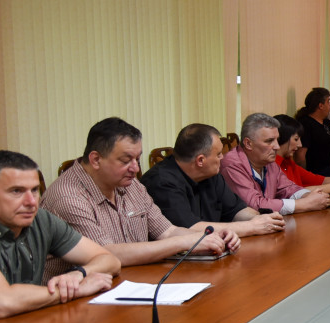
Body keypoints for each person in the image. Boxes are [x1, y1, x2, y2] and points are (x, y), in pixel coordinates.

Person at [42, 117, 238, 278]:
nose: (136, 168)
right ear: (95, 159)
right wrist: (187, 242)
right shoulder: (68, 197)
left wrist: (209, 237)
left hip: (131, 285)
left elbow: (167, 231)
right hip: (72, 304)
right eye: (126, 160)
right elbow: (107, 254)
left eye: (137, 159)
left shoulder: (130, 184)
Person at [0, 151, 120, 320]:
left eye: (35, 190)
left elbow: (110, 260)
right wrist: (74, 290)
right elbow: (0, 301)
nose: (31, 202)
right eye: (16, 191)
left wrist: (79, 273)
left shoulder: (40, 219)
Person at [141, 123, 287, 237]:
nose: (222, 158)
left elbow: (237, 210)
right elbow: (189, 229)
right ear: (200, 160)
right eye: (218, 154)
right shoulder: (161, 182)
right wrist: (251, 227)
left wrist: (262, 220)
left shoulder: (210, 173)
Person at [221, 113, 330, 215]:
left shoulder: (268, 162)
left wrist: (309, 196)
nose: (277, 147)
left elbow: (288, 188)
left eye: (277, 140)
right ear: (248, 143)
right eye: (269, 141)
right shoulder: (232, 164)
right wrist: (304, 204)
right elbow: (254, 205)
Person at [294, 87, 330, 177]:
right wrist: (304, 177)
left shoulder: (327, 123)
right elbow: (300, 155)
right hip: (321, 171)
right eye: (328, 101)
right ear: (320, 105)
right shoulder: (306, 124)